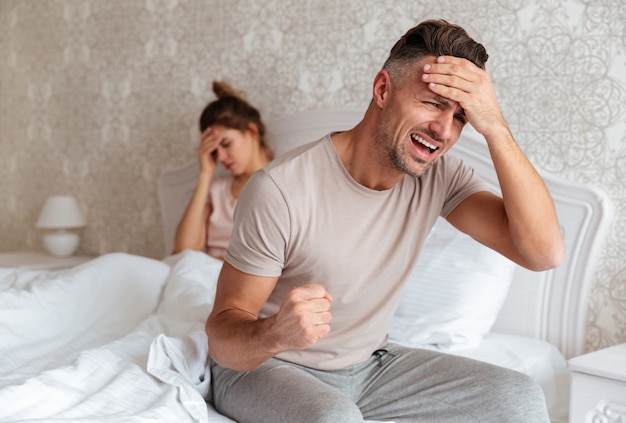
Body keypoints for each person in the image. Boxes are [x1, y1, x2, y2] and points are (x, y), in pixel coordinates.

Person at [205, 19, 565, 423]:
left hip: (370, 369)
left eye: (462, 117)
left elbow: (544, 252)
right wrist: (276, 332)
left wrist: (496, 127)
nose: (444, 130)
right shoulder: (280, 188)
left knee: (518, 396)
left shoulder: (440, 178)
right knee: (335, 418)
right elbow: (222, 338)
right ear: (382, 90)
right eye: (432, 102)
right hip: (265, 368)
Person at [172, 81, 273, 259]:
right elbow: (183, 250)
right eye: (214, 151)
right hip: (206, 276)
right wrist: (205, 173)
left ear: (251, 131)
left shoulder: (283, 183)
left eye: (226, 144)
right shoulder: (218, 189)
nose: (221, 157)